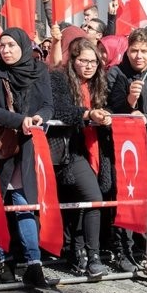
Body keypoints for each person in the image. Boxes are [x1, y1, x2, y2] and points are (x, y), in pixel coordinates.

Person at [0, 27, 54, 288]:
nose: (7, 50)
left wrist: (39, 117)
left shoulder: (38, 69)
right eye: (3, 45)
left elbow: (47, 103)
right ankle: (2, 259)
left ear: (23, 46)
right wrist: (19, 120)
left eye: (11, 45)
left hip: (28, 146)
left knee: (24, 203)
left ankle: (34, 264)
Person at [107, 26, 147, 271]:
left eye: (144, 50)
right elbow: (110, 106)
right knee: (125, 196)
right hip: (122, 146)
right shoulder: (116, 73)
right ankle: (122, 249)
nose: (138, 56)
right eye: (134, 50)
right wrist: (129, 102)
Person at [49, 38, 110, 278]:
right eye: (83, 60)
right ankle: (88, 255)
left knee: (86, 203)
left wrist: (108, 115)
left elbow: (109, 107)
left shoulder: (99, 83)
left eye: (93, 61)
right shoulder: (59, 78)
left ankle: (83, 254)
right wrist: (87, 113)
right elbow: (58, 109)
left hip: (94, 148)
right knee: (91, 198)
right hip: (69, 150)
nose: (88, 66)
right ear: (73, 60)